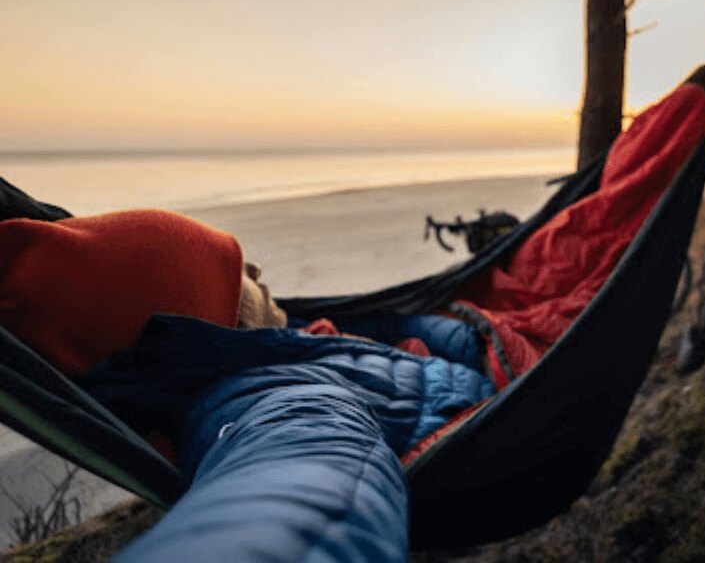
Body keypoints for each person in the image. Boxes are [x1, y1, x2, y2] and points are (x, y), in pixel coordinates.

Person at [0, 209, 495, 562]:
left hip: (481, 357)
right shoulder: (273, 402)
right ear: (215, 321)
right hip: (494, 423)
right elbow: (306, 494)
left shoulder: (284, 339)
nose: (258, 270)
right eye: (237, 274)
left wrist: (467, 330)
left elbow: (384, 327)